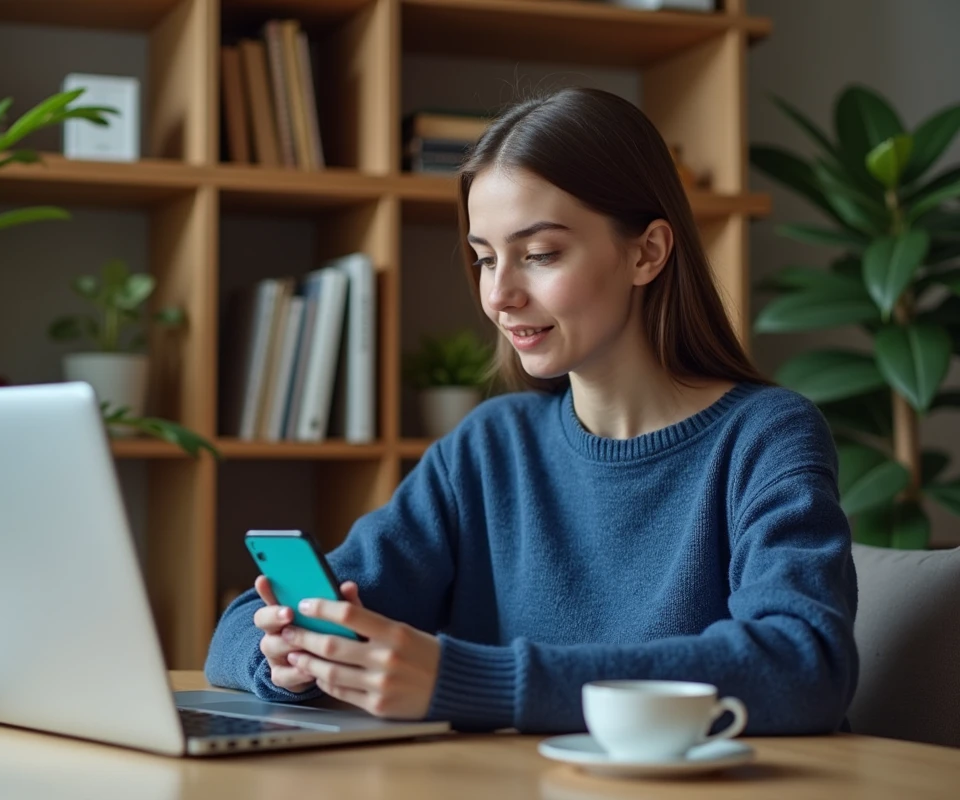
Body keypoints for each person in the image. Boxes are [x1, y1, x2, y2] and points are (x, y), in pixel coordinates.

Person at [204, 87, 859, 734]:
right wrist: (284, 655)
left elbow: (803, 665)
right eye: (485, 259)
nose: (499, 295)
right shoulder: (491, 446)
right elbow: (234, 631)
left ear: (647, 252)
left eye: (540, 255)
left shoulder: (765, 436)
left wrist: (468, 681)